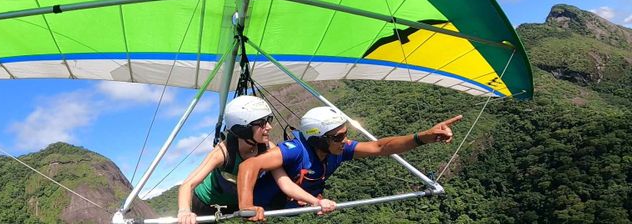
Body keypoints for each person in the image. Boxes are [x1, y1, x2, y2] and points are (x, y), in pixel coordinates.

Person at [236, 106, 463, 221]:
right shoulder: (294, 151)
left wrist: (423, 137)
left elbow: (380, 147)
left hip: (290, 209)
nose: (345, 141)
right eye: (337, 137)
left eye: (345, 134)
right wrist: (247, 207)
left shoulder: (339, 150)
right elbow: (248, 166)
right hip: (264, 208)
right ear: (318, 140)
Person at [177, 96, 336, 224]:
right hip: (207, 201)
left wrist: (315, 201)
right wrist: (184, 211)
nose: (269, 127)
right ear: (243, 128)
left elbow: (284, 182)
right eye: (261, 123)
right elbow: (188, 184)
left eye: (268, 120)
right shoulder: (223, 152)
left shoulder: (267, 147)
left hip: (237, 201)